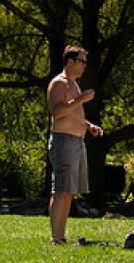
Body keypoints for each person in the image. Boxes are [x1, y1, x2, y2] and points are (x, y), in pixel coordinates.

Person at [46, 45, 103, 245]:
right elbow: (57, 112)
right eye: (82, 61)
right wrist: (80, 99)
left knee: (69, 191)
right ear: (71, 62)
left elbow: (72, 113)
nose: (85, 66)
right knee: (61, 190)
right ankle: (57, 238)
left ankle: (61, 236)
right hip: (63, 141)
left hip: (77, 141)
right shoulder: (59, 83)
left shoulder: (74, 84)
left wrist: (88, 126)